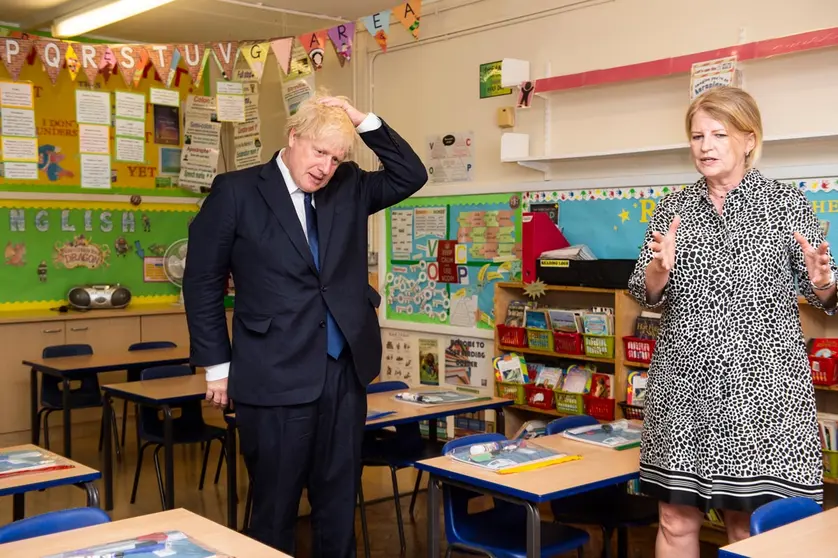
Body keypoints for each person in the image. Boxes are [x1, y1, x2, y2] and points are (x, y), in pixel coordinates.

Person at [182, 93, 427, 557]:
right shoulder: (236, 191)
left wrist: (362, 119)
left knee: (338, 505)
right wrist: (216, 364)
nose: (325, 167)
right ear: (293, 137)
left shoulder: (349, 186)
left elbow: (411, 174)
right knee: (275, 509)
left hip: (342, 373)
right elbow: (201, 283)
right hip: (273, 374)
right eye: (320, 152)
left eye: (336, 159)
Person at [628, 85, 837, 558]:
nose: (705, 146)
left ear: (749, 139)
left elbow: (826, 298)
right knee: (675, 520)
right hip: (683, 392)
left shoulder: (786, 204)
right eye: (697, 135)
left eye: (718, 134)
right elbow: (645, 292)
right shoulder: (673, 208)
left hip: (762, 395)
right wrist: (658, 270)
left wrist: (823, 279)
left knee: (749, 529)